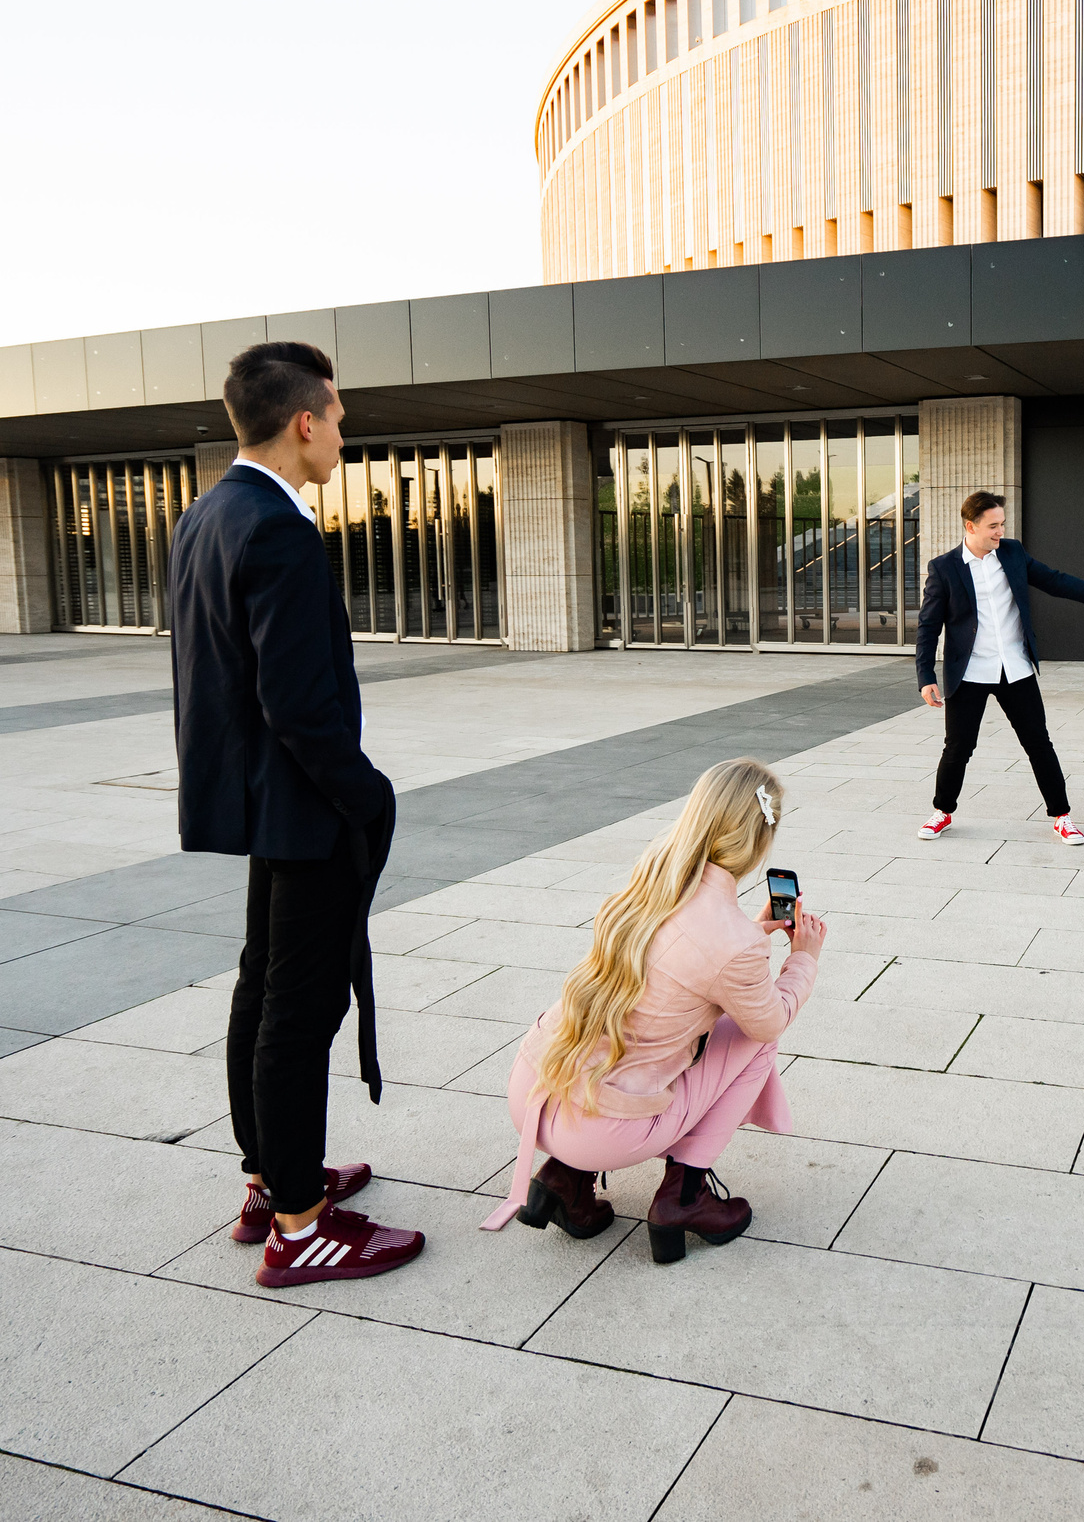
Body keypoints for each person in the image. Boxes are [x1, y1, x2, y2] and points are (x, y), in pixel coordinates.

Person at [168, 340, 423, 1290]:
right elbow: (296, 699)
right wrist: (368, 793)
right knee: (297, 1009)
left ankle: (273, 1179)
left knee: (260, 987)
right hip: (304, 805)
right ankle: (302, 1226)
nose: (346, 433)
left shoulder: (207, 514)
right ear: (305, 420)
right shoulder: (276, 526)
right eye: (341, 417)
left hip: (258, 803)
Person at [483, 758, 825, 1264]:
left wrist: (753, 933)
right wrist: (802, 960)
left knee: (625, 1024)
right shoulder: (731, 939)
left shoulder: (647, 882)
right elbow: (768, 1018)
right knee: (758, 1040)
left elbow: (686, 955)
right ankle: (683, 1198)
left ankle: (563, 1176)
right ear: (757, 840)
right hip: (602, 1131)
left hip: (533, 1093)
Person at [914, 490, 1084, 845]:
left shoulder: (1012, 552)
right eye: (993, 526)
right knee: (958, 747)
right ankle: (942, 812)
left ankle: (1062, 817)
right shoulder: (944, 568)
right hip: (969, 672)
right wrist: (926, 676)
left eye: (1002, 524)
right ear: (970, 526)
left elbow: (1058, 581)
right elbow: (928, 625)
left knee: (1038, 743)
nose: (1000, 532)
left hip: (1015, 668)